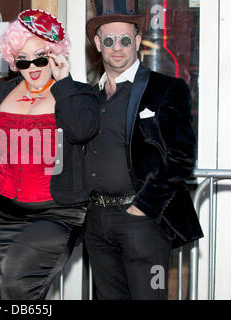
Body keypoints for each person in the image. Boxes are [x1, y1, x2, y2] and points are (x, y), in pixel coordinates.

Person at [83, 0, 203, 299]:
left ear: (137, 41)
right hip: (97, 221)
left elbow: (182, 158)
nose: (118, 47)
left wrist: (144, 207)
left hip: (143, 222)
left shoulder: (166, 89)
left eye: (125, 39)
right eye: (109, 40)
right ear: (98, 44)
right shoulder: (87, 97)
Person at [0, 9, 99, 300]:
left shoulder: (77, 92)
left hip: (54, 212)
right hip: (0, 211)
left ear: (56, 53)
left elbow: (83, 130)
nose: (32, 66)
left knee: (15, 282)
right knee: (11, 291)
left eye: (40, 57)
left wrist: (63, 81)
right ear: (13, 59)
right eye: (23, 59)